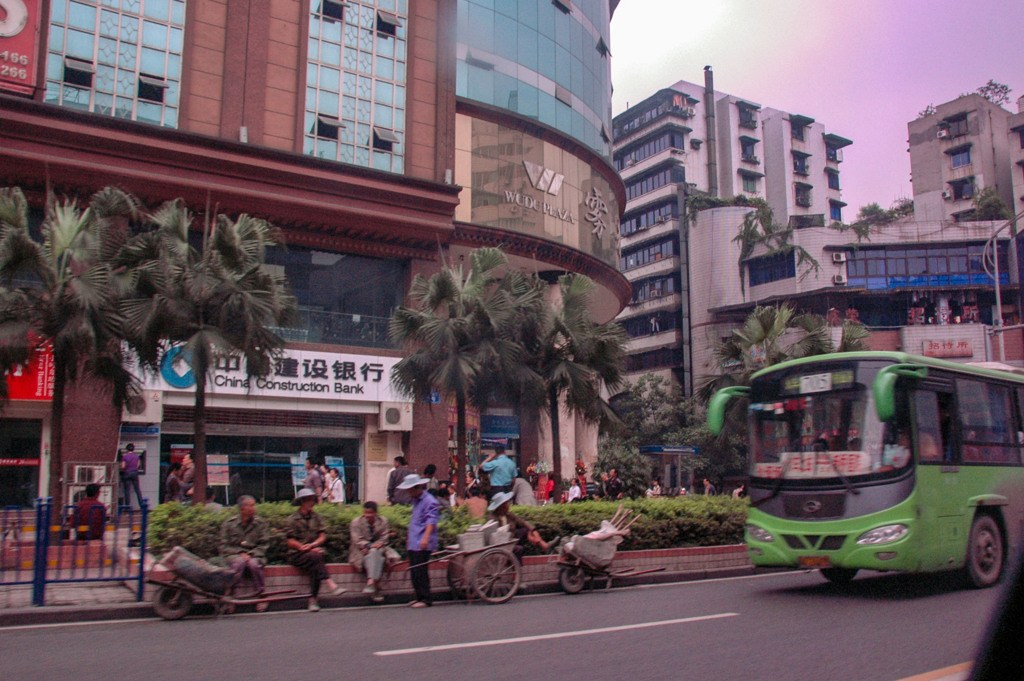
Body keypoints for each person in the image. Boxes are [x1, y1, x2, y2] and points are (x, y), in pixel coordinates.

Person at [285, 488, 346, 611]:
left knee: (316, 561)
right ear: (302, 502)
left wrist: (312, 546)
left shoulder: (317, 517)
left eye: (313, 500)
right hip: (297, 554)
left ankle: (314, 600)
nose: (312, 503)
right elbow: (290, 541)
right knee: (316, 558)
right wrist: (303, 548)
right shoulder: (292, 519)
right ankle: (328, 584)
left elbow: (322, 536)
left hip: (314, 552)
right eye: (309, 500)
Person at [219, 495, 269, 600]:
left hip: (254, 555)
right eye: (251, 505)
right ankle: (231, 593)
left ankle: (261, 593)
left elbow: (264, 544)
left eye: (254, 505)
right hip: (233, 555)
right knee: (239, 562)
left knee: (254, 564)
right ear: (242, 508)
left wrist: (250, 555)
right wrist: (240, 553)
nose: (254, 508)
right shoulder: (229, 524)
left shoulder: (259, 524)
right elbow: (223, 546)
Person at [399, 474, 438, 608]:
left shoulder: (429, 501)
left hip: (422, 541)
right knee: (415, 571)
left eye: (410, 490)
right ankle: (418, 596)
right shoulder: (416, 501)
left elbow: (431, 521)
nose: (408, 493)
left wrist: (426, 538)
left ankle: (426, 599)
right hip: (414, 541)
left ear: (417, 488)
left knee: (421, 571)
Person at [348, 501, 400, 602]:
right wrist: (369, 546)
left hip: (379, 549)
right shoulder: (356, 522)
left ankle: (370, 582)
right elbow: (357, 540)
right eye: (366, 513)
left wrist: (376, 546)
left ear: (376, 513)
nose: (367, 516)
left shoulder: (383, 521)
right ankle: (376, 588)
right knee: (377, 557)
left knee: (375, 553)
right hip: (360, 551)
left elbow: (384, 537)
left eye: (370, 513)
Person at [487, 490, 550, 562]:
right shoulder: (492, 518)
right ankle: (517, 568)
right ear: (501, 506)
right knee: (519, 549)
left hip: (511, 539)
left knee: (526, 529)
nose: (508, 505)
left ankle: (541, 543)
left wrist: (535, 532)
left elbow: (523, 522)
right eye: (506, 503)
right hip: (501, 544)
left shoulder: (509, 515)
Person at [119, 443, 143, 510]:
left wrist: (125, 469)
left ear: (127, 449)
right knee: (137, 490)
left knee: (127, 490)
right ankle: (141, 505)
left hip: (127, 473)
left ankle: (127, 506)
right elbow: (138, 465)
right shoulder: (137, 456)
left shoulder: (124, 457)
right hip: (135, 473)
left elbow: (123, 466)